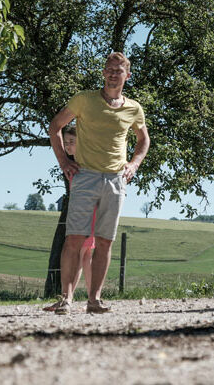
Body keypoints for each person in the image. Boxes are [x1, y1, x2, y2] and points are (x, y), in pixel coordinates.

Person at [44, 52, 150, 315]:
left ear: (128, 75)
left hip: (116, 179)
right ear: (103, 73)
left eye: (119, 70)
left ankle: (94, 300)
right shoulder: (84, 100)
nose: (113, 74)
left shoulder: (133, 108)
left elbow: (143, 140)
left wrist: (134, 164)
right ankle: (66, 299)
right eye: (109, 69)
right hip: (85, 176)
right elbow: (55, 125)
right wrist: (64, 163)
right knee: (75, 239)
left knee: (104, 241)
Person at [41, 125, 95, 311]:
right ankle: (74, 298)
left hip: (90, 211)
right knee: (82, 255)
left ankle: (87, 298)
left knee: (83, 254)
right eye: (65, 143)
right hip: (80, 211)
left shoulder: (89, 165)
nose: (67, 146)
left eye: (72, 142)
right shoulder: (72, 165)